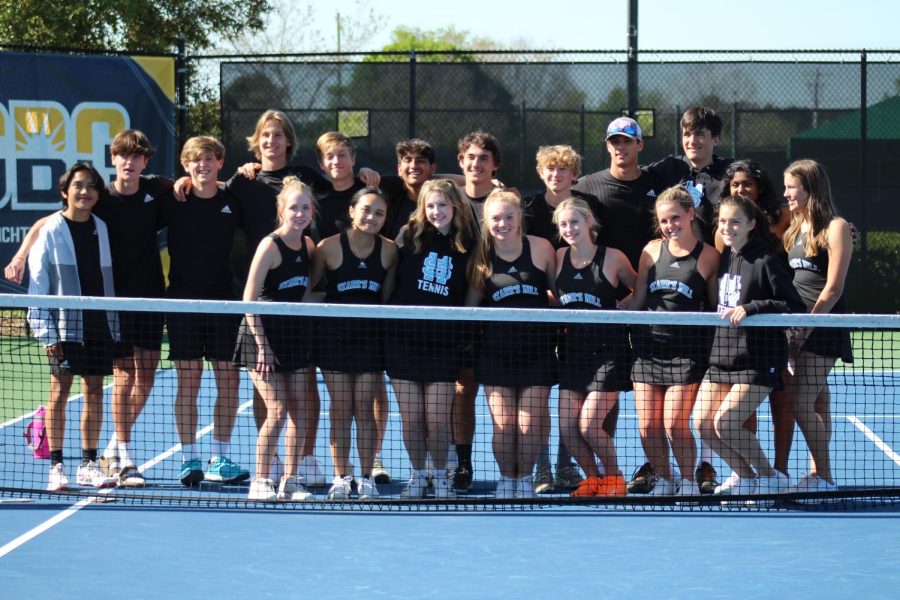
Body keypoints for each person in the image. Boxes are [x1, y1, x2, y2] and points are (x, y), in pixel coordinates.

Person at [7, 130, 171, 487]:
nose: (130, 162)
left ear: (145, 161)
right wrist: (20, 255)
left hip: (134, 306)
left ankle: (103, 452)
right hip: (89, 315)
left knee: (130, 381)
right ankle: (94, 459)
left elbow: (198, 181)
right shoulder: (93, 205)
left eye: (137, 156)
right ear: (113, 157)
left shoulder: (151, 192)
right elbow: (48, 223)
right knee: (81, 387)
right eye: (123, 155)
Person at [694, 195, 805, 497]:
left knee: (726, 423)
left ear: (751, 224)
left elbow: (793, 305)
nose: (728, 227)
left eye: (735, 222)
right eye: (723, 221)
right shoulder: (725, 257)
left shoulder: (766, 260)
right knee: (703, 424)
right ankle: (745, 476)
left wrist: (755, 307)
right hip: (722, 356)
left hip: (758, 358)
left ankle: (770, 477)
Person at [160, 136, 249, 487]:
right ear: (186, 165)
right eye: (196, 160)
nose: (203, 165)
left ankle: (219, 457)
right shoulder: (173, 201)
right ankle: (189, 459)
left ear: (220, 162)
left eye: (210, 158)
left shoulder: (233, 201)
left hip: (223, 303)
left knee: (229, 381)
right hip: (183, 302)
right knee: (190, 381)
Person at [27, 163, 119, 491]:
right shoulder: (51, 229)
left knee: (94, 391)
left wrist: (113, 325)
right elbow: (38, 285)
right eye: (78, 186)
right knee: (60, 392)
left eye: (92, 187)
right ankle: (56, 467)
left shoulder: (102, 228)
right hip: (64, 329)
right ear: (65, 191)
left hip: (96, 325)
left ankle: (89, 464)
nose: (85, 192)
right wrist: (47, 334)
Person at [623, 186, 719, 496]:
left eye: (676, 218)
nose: (670, 226)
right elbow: (637, 299)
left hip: (687, 353)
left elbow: (717, 307)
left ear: (691, 214)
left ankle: (689, 483)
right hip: (647, 351)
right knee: (648, 426)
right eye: (664, 221)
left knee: (675, 423)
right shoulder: (651, 251)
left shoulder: (709, 257)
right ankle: (665, 479)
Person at [386, 179, 478, 499]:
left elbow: (473, 291)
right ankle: (417, 475)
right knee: (412, 418)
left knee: (438, 419)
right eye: (430, 205)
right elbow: (391, 278)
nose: (436, 211)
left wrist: (465, 330)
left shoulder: (469, 241)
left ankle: (440, 476)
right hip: (403, 341)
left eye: (442, 205)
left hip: (444, 344)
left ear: (455, 206)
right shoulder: (408, 236)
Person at [465, 190, 557, 499]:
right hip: (495, 354)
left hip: (538, 353)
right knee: (504, 424)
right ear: (486, 222)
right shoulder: (481, 257)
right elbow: (470, 308)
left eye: (508, 217)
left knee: (529, 424)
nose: (502, 223)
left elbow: (559, 295)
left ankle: (524, 479)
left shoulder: (542, 249)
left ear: (519, 219)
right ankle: (507, 479)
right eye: (496, 218)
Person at [310, 187, 398, 500]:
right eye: (366, 210)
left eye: (379, 213)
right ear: (352, 210)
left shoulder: (389, 251)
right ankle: (340, 477)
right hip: (334, 341)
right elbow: (311, 292)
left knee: (364, 409)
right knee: (340, 409)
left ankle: (365, 479)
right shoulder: (327, 248)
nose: (372, 217)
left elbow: (385, 299)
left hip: (369, 343)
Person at [523, 144, 602, 492]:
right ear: (542, 173)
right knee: (543, 397)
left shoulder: (587, 209)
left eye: (563, 169)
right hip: (543, 319)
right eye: (550, 169)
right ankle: (542, 468)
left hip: (585, 328)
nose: (556, 175)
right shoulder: (529, 210)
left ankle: (566, 465)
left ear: (574, 175)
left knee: (582, 397)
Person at [237, 177, 317, 502]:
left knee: (302, 412)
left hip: (294, 336)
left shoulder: (310, 246)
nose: (299, 213)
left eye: (305, 207)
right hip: (260, 336)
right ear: (282, 210)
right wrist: (263, 347)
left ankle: (291, 480)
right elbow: (248, 300)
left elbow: (308, 293)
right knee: (278, 409)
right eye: (293, 207)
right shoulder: (269, 246)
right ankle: (260, 479)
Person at [552, 198, 636, 497]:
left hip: (608, 352)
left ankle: (615, 479)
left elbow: (640, 289)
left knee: (589, 426)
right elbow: (552, 292)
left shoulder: (613, 258)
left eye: (575, 222)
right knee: (568, 429)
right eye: (563, 224)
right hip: (572, 352)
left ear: (589, 222)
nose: (569, 229)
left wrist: (620, 308)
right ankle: (593, 479)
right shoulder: (558, 257)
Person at [782, 159, 853, 494]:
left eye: (791, 187)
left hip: (822, 327)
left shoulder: (836, 227)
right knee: (819, 401)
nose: (786, 194)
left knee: (800, 403)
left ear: (809, 188)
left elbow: (834, 288)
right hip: (797, 327)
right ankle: (817, 471)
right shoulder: (794, 229)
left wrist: (806, 327)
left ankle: (823, 476)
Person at [450, 130, 505, 493]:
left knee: (509, 394)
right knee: (462, 390)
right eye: (470, 157)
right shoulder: (450, 202)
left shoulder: (504, 203)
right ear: (461, 162)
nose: (476, 164)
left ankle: (531, 467)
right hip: (458, 312)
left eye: (483, 158)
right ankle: (463, 463)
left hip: (501, 312)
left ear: (494, 165)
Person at [646, 107, 733, 242]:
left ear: (716, 139)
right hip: (675, 257)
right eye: (687, 134)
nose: (692, 141)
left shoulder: (730, 174)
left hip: (716, 258)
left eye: (699, 134)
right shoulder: (669, 167)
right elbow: (633, 175)